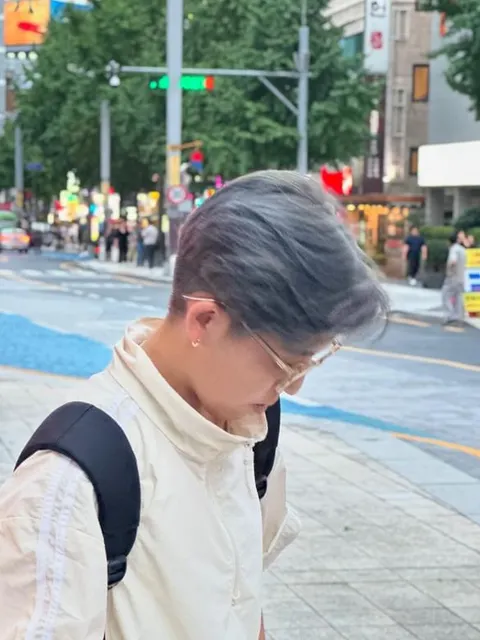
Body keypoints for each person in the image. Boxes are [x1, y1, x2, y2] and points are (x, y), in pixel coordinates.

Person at [0, 171, 389, 640]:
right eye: (285, 364)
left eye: (310, 362)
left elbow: (241, 597)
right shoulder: (68, 484)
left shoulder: (253, 434)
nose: (294, 387)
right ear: (204, 320)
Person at [442, 230, 467, 325]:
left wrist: (450, 270)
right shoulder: (463, 250)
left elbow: (453, 261)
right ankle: (459, 316)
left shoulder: (454, 249)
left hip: (453, 277)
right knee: (459, 297)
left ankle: (450, 316)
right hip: (462, 277)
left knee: (445, 296)